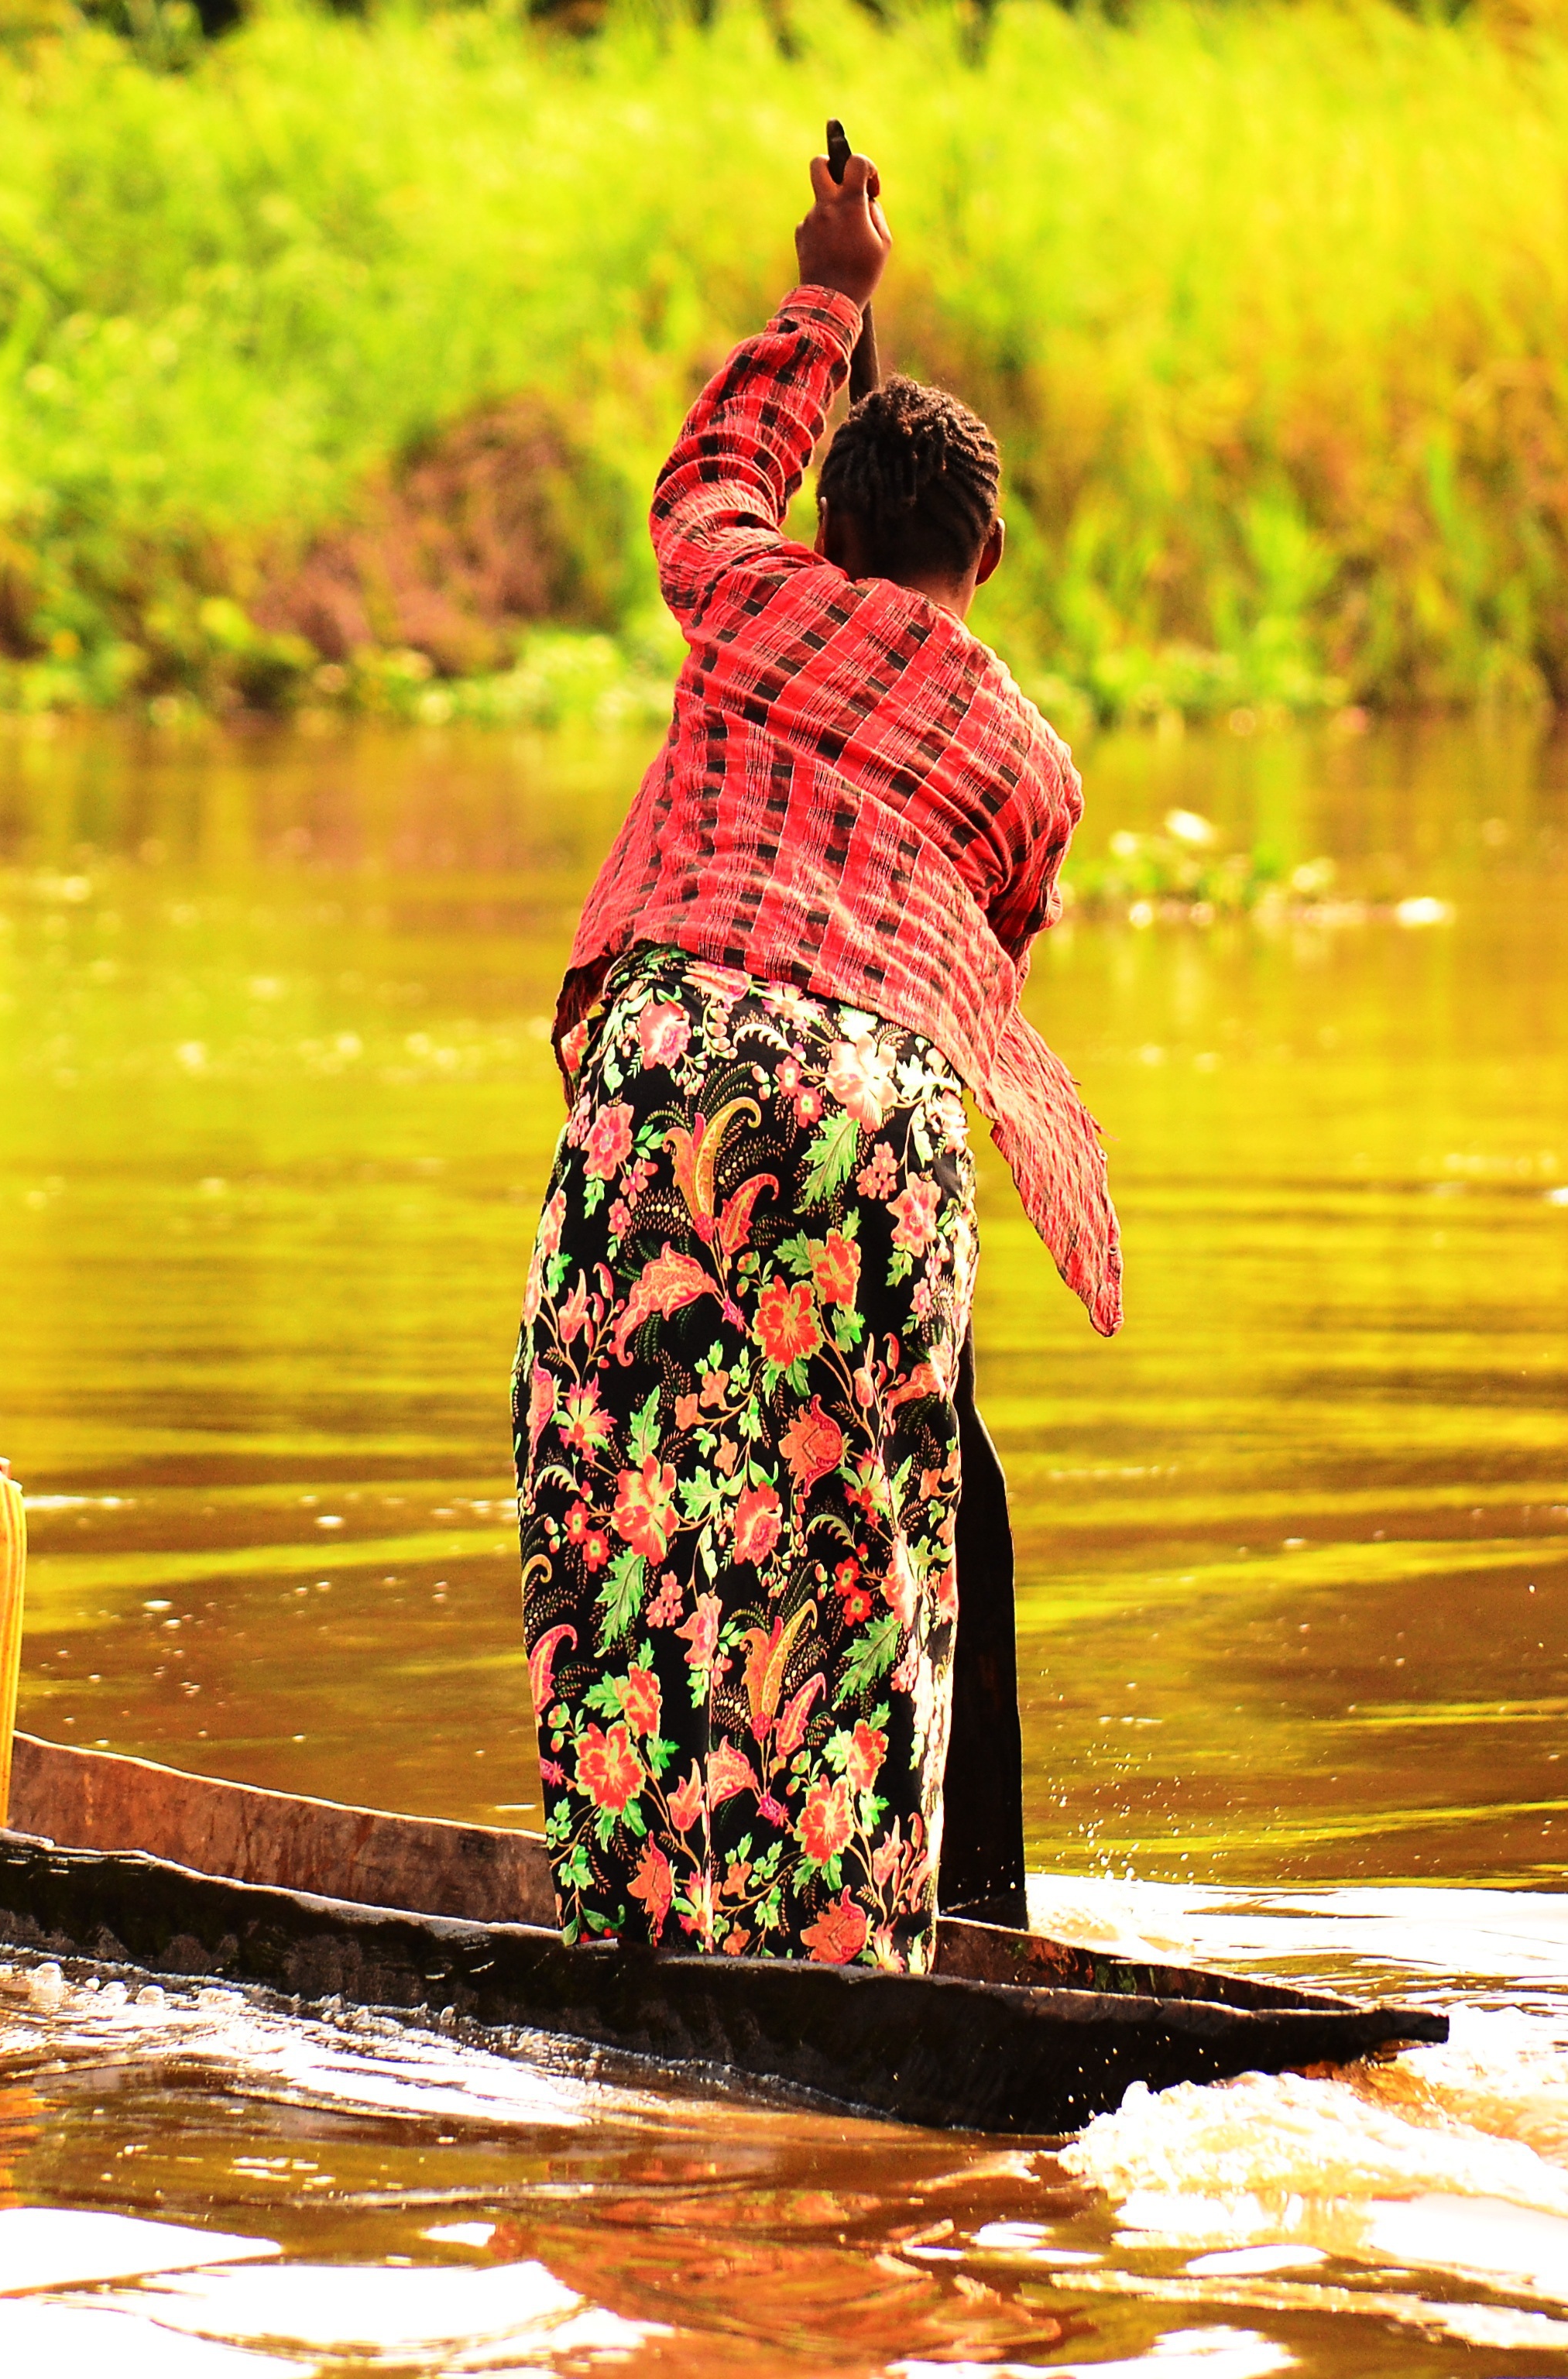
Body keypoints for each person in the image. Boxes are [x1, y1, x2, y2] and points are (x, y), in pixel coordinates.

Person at [512, 138, 1120, 1970]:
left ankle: (648, 1945)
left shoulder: (754, 597)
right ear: (986, 556)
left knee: (632, 1501)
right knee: (854, 1559)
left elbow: (707, 485)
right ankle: (848, 1962)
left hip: (680, 1063)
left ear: (831, 535)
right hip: (889, 1131)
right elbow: (997, 959)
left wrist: (827, 289)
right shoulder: (1033, 768)